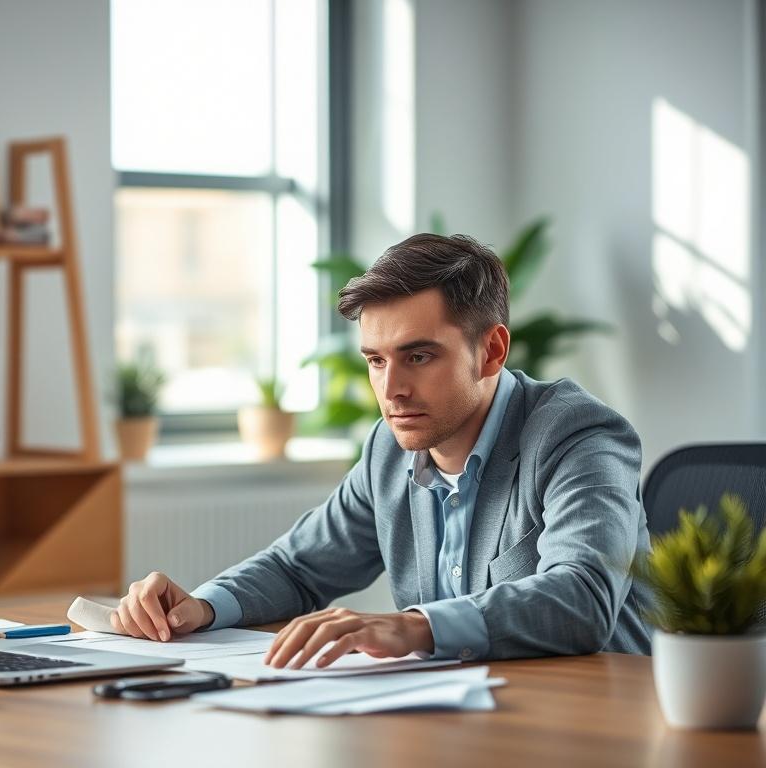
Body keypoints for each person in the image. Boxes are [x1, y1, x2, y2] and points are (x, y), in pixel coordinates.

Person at [112, 233, 652, 669]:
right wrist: (203, 607)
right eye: (375, 360)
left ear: (491, 351)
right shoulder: (389, 449)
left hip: (590, 721)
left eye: (418, 357)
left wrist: (414, 626)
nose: (391, 390)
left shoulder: (577, 434)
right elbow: (299, 567)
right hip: (456, 718)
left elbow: (582, 597)